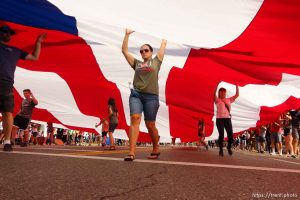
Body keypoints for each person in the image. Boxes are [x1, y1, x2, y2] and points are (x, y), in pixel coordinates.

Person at [122, 29, 167, 161]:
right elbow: (124, 51)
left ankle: (156, 148)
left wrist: (164, 31)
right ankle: (131, 152)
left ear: (151, 52)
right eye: (141, 51)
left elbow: (164, 43)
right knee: (135, 118)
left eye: (146, 50)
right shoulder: (137, 63)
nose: (143, 52)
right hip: (136, 94)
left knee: (150, 125)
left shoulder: (156, 62)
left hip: (151, 97)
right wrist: (127, 35)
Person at [0, 25, 46, 151]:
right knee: (8, 114)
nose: (8, 34)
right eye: (5, 31)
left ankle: (8, 141)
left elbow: (34, 57)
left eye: (10, 32)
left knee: (7, 113)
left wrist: (38, 42)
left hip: (6, 84)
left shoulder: (15, 50)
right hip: (6, 84)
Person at [214, 84, 239, 156]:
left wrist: (237, 85)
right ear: (219, 93)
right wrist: (217, 84)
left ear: (225, 93)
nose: (223, 93)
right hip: (219, 119)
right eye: (221, 92)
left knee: (230, 135)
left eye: (224, 92)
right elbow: (213, 94)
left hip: (227, 119)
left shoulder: (229, 99)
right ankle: (221, 150)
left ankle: (228, 147)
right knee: (221, 134)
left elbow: (237, 95)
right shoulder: (217, 100)